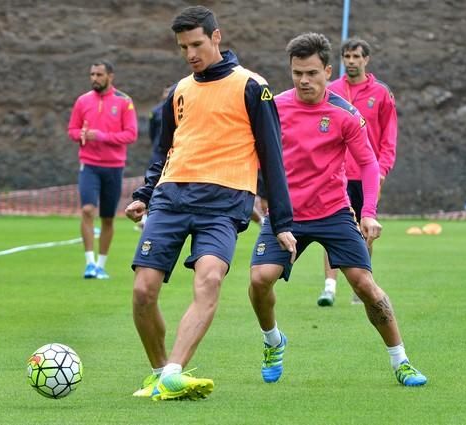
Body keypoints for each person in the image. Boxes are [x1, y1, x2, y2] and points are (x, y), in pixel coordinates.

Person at [125, 5, 296, 401]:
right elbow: (162, 150)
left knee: (210, 279)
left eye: (197, 44)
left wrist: (282, 220)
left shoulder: (253, 86)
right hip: (170, 198)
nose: (190, 54)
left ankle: (173, 372)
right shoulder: (180, 91)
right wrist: (143, 194)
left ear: (216, 37)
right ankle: (158, 372)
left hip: (224, 203)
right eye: (183, 47)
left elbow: (272, 157)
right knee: (142, 293)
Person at [248, 32, 426, 387]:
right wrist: (252, 196)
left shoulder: (345, 113)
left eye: (312, 72)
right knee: (258, 280)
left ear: (328, 71)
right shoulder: (276, 107)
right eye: (297, 72)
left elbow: (369, 163)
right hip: (286, 215)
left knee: (366, 287)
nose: (304, 80)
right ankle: (273, 342)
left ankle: (401, 361)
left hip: (333, 212)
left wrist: (370, 211)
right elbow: (253, 153)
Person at [317, 37, 398, 307]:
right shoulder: (331, 90)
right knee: (332, 227)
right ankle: (329, 287)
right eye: (347, 57)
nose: (351, 61)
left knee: (364, 229)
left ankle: (360, 284)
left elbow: (389, 137)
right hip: (335, 174)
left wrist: (383, 169)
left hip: (367, 174)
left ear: (366, 60)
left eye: (356, 57)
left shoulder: (381, 93)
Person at [67, 60, 138, 279]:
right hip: (89, 165)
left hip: (114, 167)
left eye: (99, 74)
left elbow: (131, 134)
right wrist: (80, 135)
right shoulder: (82, 101)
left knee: (108, 218)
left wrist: (101, 136)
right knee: (88, 210)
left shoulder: (124, 102)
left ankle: (101, 264)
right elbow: (72, 129)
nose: (94, 78)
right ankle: (89, 263)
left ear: (110, 76)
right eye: (92, 74)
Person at [136, 85, 173, 231]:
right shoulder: (156, 111)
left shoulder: (181, 108)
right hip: (159, 153)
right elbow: (152, 132)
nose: (167, 94)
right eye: (165, 91)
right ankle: (147, 216)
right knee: (153, 182)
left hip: (175, 153)